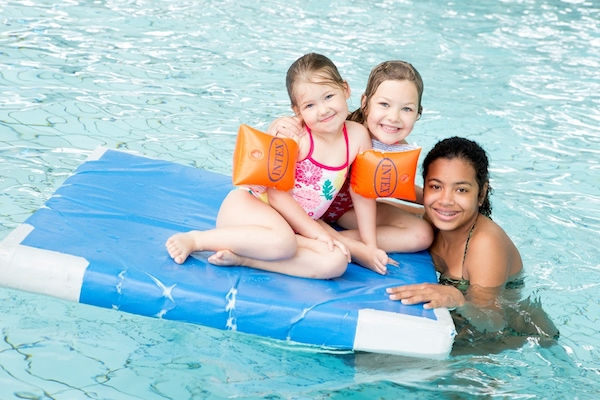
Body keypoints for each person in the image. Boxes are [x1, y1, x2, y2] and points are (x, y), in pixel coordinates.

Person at [166, 53, 389, 278]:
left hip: (295, 227)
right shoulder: (295, 138)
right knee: (283, 242)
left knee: (336, 262)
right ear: (297, 111)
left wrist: (370, 246)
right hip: (250, 210)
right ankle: (197, 239)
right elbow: (276, 196)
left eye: (329, 96)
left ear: (345, 89)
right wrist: (318, 234)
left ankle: (245, 258)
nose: (323, 110)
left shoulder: (358, 136)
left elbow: (362, 192)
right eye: (310, 105)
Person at [386, 137, 559, 342]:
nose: (446, 201)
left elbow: (493, 321)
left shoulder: (485, 244)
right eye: (436, 187)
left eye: (461, 190)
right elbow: (388, 208)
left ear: (481, 193)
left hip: (513, 335)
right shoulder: (433, 218)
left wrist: (457, 299)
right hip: (463, 324)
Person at [269, 61, 434, 274]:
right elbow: (301, 123)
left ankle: (334, 241)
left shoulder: (396, 145)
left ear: (418, 113)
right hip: (310, 207)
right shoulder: (336, 128)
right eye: (384, 104)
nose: (393, 117)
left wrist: (432, 200)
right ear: (365, 102)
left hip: (345, 210)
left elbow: (394, 186)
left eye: (406, 109)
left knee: (422, 234)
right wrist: (279, 125)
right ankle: (339, 244)